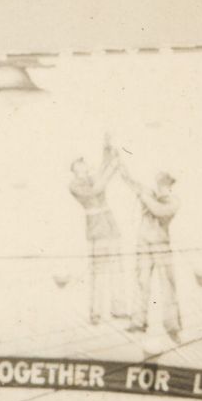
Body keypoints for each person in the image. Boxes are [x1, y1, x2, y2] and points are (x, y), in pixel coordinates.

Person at [118, 164, 183, 341]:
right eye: (159, 183)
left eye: (164, 184)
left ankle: (172, 326)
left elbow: (158, 211)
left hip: (161, 245)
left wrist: (144, 197)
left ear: (169, 185)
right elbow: (132, 183)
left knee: (167, 285)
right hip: (144, 244)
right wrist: (122, 168)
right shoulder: (150, 194)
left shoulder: (173, 202)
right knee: (142, 282)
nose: (161, 187)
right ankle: (138, 322)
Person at [69, 137, 127, 324]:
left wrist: (107, 148)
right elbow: (97, 189)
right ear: (75, 169)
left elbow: (103, 168)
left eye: (84, 164)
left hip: (111, 227)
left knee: (117, 269)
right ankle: (96, 312)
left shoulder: (91, 178)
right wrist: (113, 168)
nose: (85, 166)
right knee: (98, 272)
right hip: (97, 230)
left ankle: (119, 309)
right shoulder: (75, 185)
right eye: (81, 164)